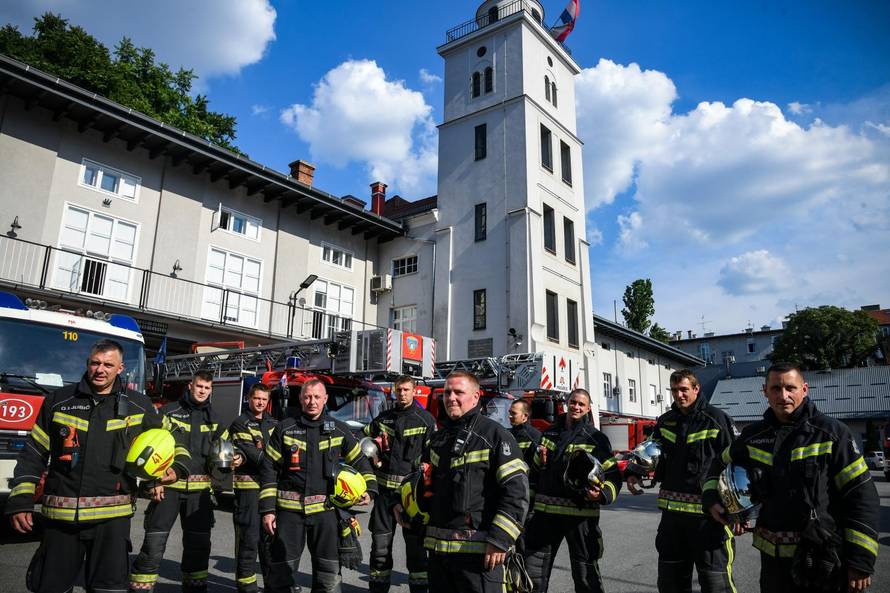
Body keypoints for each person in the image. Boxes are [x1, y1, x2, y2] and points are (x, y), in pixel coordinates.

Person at [5, 339, 180, 593]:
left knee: (108, 590)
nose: (101, 369)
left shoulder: (138, 405)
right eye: (95, 363)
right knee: (49, 588)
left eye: (108, 364)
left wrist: (173, 468)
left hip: (112, 523)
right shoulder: (59, 401)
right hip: (61, 521)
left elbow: (171, 438)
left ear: (120, 368)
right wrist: (20, 501)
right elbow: (33, 453)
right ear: (88, 364)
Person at [703, 362, 880, 593]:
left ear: (804, 389)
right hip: (773, 568)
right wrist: (710, 498)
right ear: (764, 392)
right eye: (775, 388)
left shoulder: (832, 434)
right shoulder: (753, 436)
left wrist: (861, 560)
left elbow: (861, 496)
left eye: (790, 388)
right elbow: (717, 463)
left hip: (823, 562)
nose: (783, 395)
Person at [259, 378, 378, 593]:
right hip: (289, 514)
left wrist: (369, 489)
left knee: (328, 575)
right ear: (300, 399)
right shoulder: (285, 429)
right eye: (307, 397)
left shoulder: (338, 430)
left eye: (316, 397)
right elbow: (269, 469)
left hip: (326, 515)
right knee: (280, 574)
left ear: (325, 399)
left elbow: (360, 461)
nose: (311, 401)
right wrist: (268, 510)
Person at [626, 369, 738, 593]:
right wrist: (634, 471)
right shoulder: (666, 421)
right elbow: (650, 451)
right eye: (675, 390)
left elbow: (734, 464)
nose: (679, 395)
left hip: (708, 520)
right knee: (670, 584)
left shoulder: (716, 420)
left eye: (684, 389)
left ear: (696, 389)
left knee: (716, 584)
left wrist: (736, 509)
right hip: (672, 522)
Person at [416, 371, 529, 593]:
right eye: (447, 392)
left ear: (476, 397)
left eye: (459, 392)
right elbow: (421, 481)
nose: (451, 398)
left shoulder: (495, 436)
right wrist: (400, 502)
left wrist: (500, 539)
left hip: (480, 555)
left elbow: (517, 492)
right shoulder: (438, 439)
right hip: (439, 553)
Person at [129, 370, 228, 592]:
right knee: (154, 543)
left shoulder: (217, 420)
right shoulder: (168, 412)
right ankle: (140, 587)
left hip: (199, 494)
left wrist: (228, 466)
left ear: (211, 390)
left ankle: (195, 588)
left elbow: (223, 456)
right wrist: (152, 482)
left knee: (198, 547)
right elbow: (149, 447)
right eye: (199, 386)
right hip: (168, 489)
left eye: (207, 387)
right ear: (190, 386)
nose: (202, 391)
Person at [523, 388, 621, 593]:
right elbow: (534, 472)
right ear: (567, 403)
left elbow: (612, 475)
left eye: (581, 404)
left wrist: (602, 495)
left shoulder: (596, 438)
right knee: (533, 574)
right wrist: (539, 462)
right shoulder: (549, 432)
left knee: (586, 576)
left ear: (587, 408)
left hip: (581, 518)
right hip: (545, 515)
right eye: (573, 402)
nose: (576, 407)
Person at [365, 375, 436, 593]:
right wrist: (373, 454)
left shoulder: (425, 420)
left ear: (415, 391)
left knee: (416, 552)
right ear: (393, 392)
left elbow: (432, 458)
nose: (402, 393)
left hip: (411, 497)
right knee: (380, 548)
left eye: (406, 389)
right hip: (384, 496)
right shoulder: (383, 418)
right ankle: (377, 589)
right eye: (398, 390)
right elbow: (365, 440)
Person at [229, 383, 279, 593]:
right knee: (248, 541)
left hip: (270, 491)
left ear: (268, 402)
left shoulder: (275, 423)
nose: (260, 402)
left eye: (264, 400)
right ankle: (246, 587)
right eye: (257, 398)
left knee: (270, 543)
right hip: (248, 492)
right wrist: (277, 463)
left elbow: (280, 449)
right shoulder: (241, 423)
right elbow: (254, 455)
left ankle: (272, 586)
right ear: (249, 398)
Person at [508, 399, 542, 470]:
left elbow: (536, 466)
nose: (509, 416)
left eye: (513, 413)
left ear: (525, 416)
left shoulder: (534, 436)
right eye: (509, 413)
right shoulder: (508, 433)